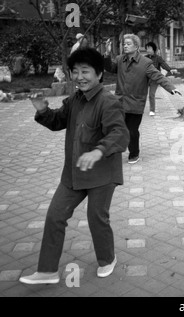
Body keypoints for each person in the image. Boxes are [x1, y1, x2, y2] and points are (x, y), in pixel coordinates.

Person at [19, 48, 130, 285]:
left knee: (96, 218)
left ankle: (108, 258)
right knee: (55, 216)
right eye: (75, 71)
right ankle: (47, 271)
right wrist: (42, 110)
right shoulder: (74, 100)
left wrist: (98, 151)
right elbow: (58, 121)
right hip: (73, 174)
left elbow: (119, 133)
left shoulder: (108, 102)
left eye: (85, 71)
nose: (79, 76)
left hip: (102, 174)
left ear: (99, 74)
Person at [103, 34, 181, 164]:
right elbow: (109, 68)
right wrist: (107, 53)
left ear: (136, 46)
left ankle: (134, 153)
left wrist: (171, 87)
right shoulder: (120, 59)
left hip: (135, 103)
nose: (125, 46)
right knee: (115, 128)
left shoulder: (145, 63)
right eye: (124, 44)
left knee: (132, 131)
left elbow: (158, 76)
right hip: (120, 101)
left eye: (128, 43)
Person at [144, 42, 176, 116]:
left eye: (149, 48)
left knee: (151, 94)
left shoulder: (158, 58)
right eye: (147, 48)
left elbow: (163, 64)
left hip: (154, 79)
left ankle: (152, 110)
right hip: (145, 78)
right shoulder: (144, 58)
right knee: (141, 94)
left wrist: (170, 69)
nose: (147, 50)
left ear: (153, 49)